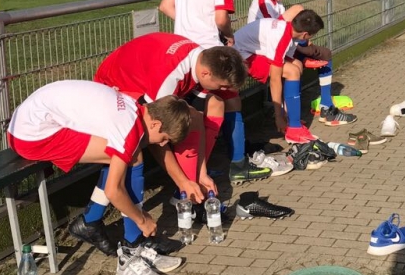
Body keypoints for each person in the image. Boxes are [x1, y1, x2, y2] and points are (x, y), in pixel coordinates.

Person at [72, 33, 282, 255]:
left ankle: (190, 191)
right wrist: (181, 181)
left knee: (208, 110)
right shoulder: (168, 79)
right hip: (113, 90)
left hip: (141, 84)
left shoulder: (202, 60)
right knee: (134, 153)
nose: (222, 90)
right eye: (221, 86)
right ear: (206, 73)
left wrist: (201, 173)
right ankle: (133, 239)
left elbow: (196, 119)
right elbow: (157, 138)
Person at [7, 80, 191, 275]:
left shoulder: (135, 106)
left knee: (128, 153)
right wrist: (142, 219)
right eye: (164, 138)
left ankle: (130, 241)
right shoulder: (129, 128)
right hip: (31, 136)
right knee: (132, 156)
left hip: (29, 122)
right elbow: (113, 191)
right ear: (156, 124)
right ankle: (130, 254)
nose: (162, 144)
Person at [158, 0, 269, 189]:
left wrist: (189, 22)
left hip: (183, 50)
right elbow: (221, 19)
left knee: (198, 108)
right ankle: (237, 164)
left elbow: (165, 6)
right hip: (209, 50)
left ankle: (198, 169)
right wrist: (228, 35)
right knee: (231, 100)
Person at [247, 0, 356, 126]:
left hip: (288, 44)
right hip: (269, 50)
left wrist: (302, 39)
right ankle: (292, 117)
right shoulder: (262, 3)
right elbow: (274, 30)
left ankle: (325, 106)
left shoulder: (276, 3)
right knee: (297, 65)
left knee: (325, 53)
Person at [232, 10, 325, 144]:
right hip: (240, 56)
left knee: (297, 65)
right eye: (311, 36)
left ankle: (291, 117)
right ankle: (293, 130)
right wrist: (278, 116)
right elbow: (275, 79)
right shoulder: (282, 38)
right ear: (305, 34)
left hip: (251, 51)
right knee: (292, 72)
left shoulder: (290, 32)